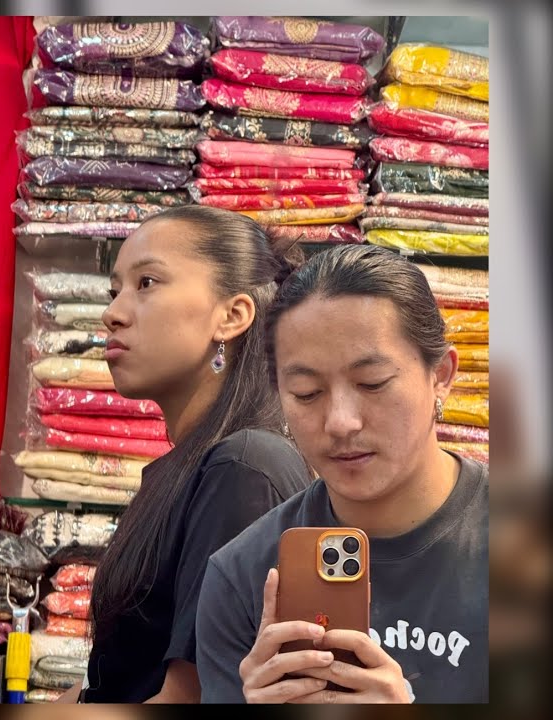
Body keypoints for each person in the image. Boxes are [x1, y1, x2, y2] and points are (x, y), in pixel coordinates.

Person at [196, 244, 488, 703]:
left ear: (442, 376)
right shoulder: (241, 577)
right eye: (307, 393)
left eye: (372, 383)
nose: (340, 423)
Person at [71, 206, 312, 703]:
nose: (112, 311)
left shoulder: (243, 469)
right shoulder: (193, 467)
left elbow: (188, 697)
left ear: (232, 315)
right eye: (113, 289)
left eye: (147, 282)